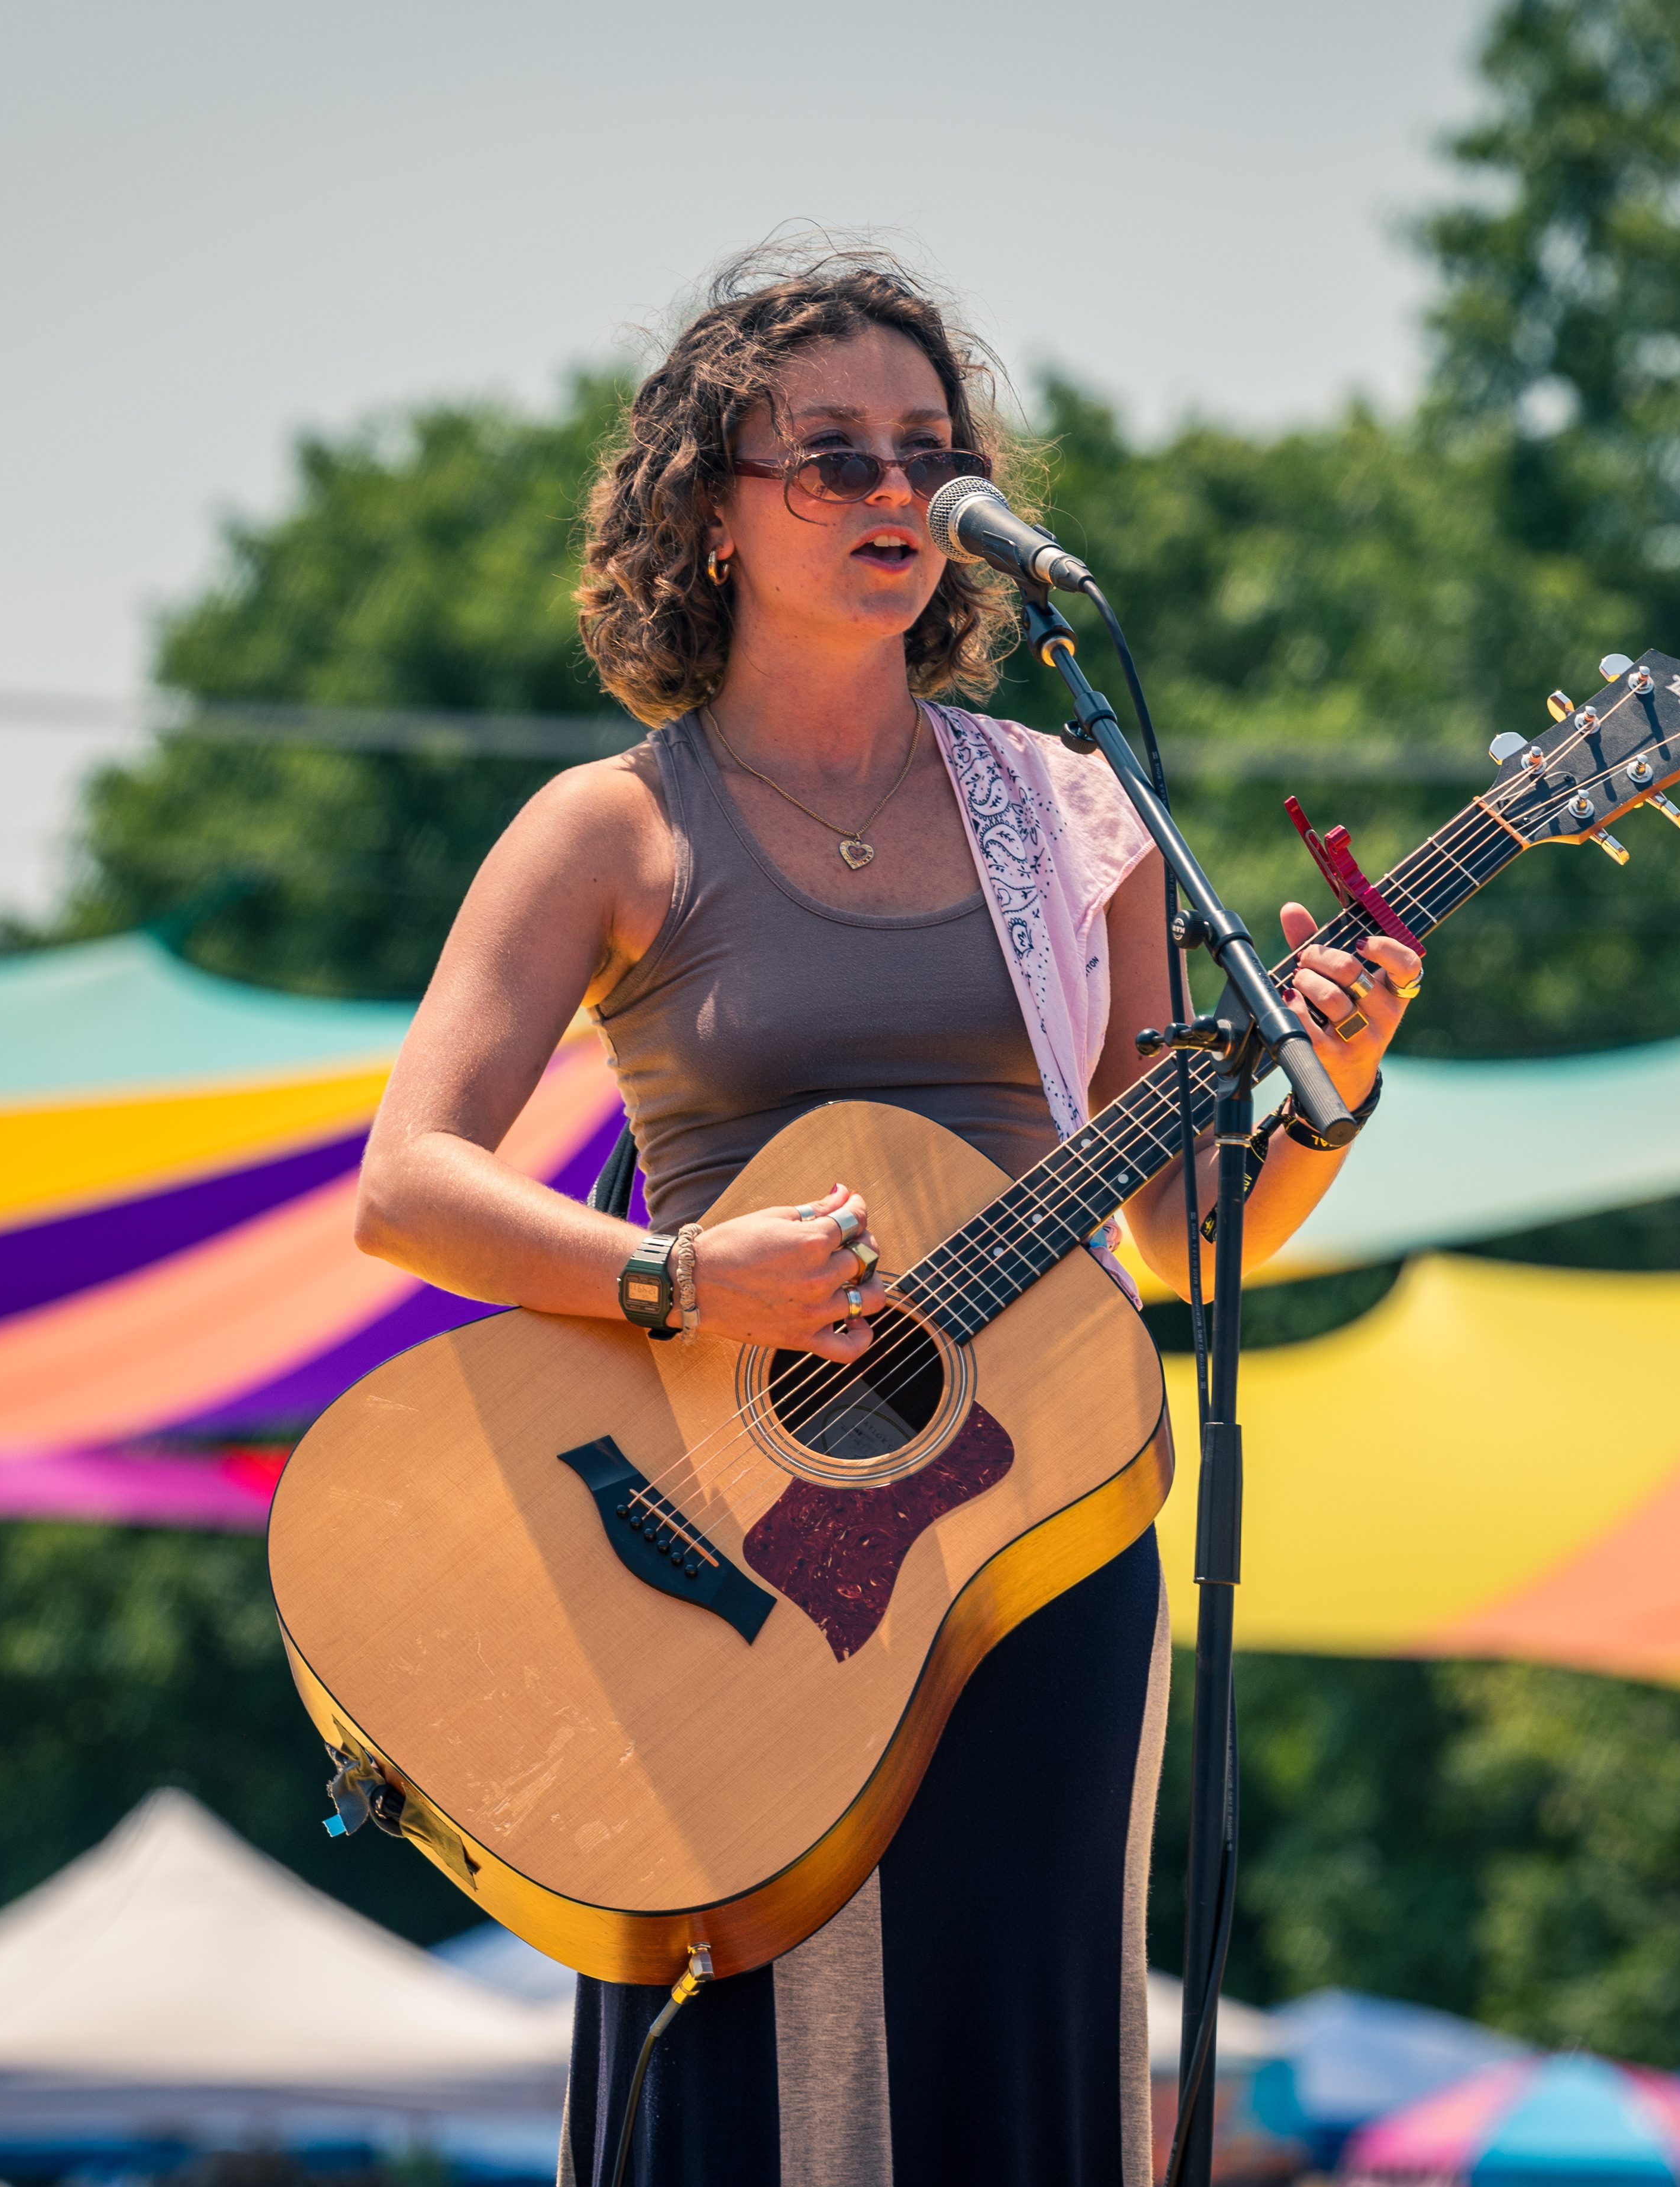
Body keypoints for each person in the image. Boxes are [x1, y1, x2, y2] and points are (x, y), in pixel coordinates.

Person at [351, 247, 1422, 2187]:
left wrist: (1328, 1101)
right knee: (742, 2073)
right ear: (710, 511)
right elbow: (409, 1190)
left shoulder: (1071, 813)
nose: (898, 500)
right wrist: (689, 1280)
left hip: (1032, 1528)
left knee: (1009, 2045)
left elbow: (1179, 1233)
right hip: (712, 1548)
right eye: (833, 460)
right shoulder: (611, 828)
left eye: (930, 459)